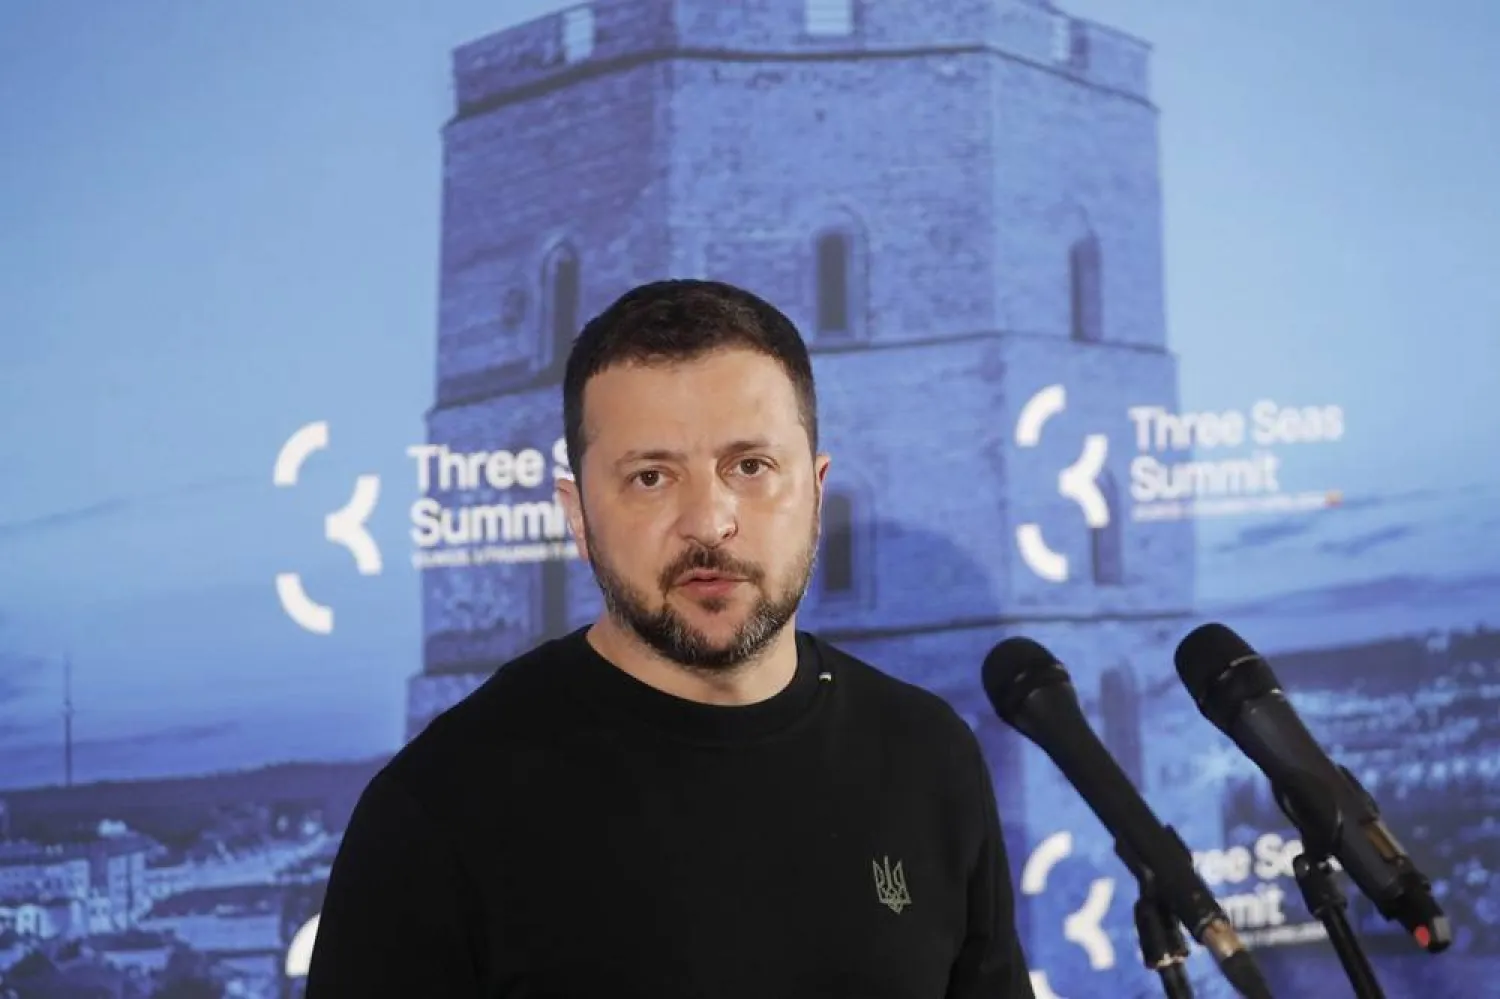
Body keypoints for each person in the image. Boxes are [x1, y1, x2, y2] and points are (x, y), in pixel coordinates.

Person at [304, 279, 1035, 997]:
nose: (709, 521)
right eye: (651, 477)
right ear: (578, 514)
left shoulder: (927, 755)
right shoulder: (439, 811)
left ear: (816, 491)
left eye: (750, 467)